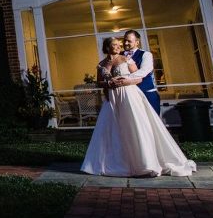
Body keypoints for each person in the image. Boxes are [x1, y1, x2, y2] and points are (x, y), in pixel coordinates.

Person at [81, 37, 196, 177]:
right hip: (112, 99)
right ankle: (117, 162)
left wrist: (126, 82)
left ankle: (145, 163)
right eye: (114, 45)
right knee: (113, 128)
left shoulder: (126, 59)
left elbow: (139, 78)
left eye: (119, 44)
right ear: (107, 47)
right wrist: (108, 84)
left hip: (128, 95)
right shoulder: (101, 64)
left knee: (134, 125)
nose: (118, 46)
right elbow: (99, 82)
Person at [112, 30, 161, 115]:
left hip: (147, 94)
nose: (126, 43)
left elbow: (143, 71)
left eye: (129, 41)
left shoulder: (146, 54)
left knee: (151, 120)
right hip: (128, 95)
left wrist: (124, 79)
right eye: (124, 40)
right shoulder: (118, 56)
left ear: (137, 42)